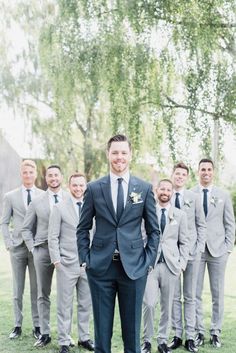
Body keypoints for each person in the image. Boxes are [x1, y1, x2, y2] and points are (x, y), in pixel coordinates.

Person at [77, 134, 159, 353]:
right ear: (108, 154)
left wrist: (148, 261)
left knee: (132, 334)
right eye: (115, 152)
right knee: (102, 333)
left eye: (123, 152)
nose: (119, 157)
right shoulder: (94, 188)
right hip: (100, 268)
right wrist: (86, 259)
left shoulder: (144, 188)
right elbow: (82, 228)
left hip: (133, 269)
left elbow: (154, 231)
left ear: (130, 155)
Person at [22, 165, 68, 347]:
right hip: (42, 251)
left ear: (61, 177)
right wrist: (33, 248)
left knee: (65, 295)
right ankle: (45, 333)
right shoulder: (37, 201)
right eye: (50, 175)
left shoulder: (70, 198)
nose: (53, 178)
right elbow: (26, 228)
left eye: (56, 174)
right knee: (43, 294)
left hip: (65, 252)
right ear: (46, 178)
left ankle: (65, 335)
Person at [141, 179, 189, 353]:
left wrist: (182, 264)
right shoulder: (147, 212)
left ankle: (162, 341)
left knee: (167, 305)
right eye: (162, 188)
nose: (165, 192)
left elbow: (184, 242)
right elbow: (140, 237)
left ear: (172, 193)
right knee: (149, 303)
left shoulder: (180, 215)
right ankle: (146, 341)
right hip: (150, 266)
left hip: (171, 266)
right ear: (156, 189)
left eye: (169, 190)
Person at [192, 158, 235, 349]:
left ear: (213, 172)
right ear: (198, 171)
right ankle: (199, 331)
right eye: (203, 169)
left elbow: (230, 224)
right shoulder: (190, 194)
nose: (206, 172)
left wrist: (227, 248)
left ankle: (215, 332)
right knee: (195, 293)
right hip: (197, 251)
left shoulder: (223, 195)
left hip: (218, 251)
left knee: (218, 294)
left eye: (209, 169)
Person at [48, 173, 94, 353]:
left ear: (85, 187)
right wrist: (57, 261)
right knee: (64, 305)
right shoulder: (59, 208)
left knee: (86, 303)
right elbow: (52, 237)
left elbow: (96, 233)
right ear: (69, 186)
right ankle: (64, 341)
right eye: (75, 185)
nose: (78, 189)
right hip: (65, 264)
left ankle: (84, 338)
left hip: (87, 265)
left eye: (81, 185)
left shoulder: (92, 207)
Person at [1, 159, 43, 340]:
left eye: (30, 172)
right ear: (21, 174)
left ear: (35, 174)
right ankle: (17, 325)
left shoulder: (43, 195)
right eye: (25, 172)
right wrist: (8, 243)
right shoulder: (10, 196)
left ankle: (37, 326)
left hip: (36, 249)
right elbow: (4, 221)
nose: (28, 175)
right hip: (17, 248)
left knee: (37, 289)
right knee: (17, 290)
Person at [169, 163, 206, 353]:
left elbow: (201, 225)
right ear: (172, 175)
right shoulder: (166, 196)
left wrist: (199, 249)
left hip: (192, 255)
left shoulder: (194, 198)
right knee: (174, 297)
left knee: (190, 296)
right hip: (172, 256)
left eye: (183, 174)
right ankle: (177, 335)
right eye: (177, 173)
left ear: (187, 177)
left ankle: (190, 337)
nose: (180, 177)